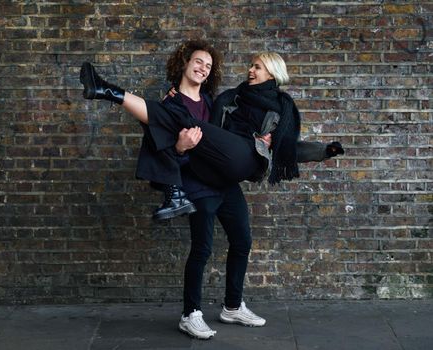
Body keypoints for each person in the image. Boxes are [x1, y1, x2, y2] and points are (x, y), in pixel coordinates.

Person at [80, 40, 344, 340]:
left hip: (227, 180)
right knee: (202, 249)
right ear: (184, 63)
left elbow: (262, 140)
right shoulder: (171, 104)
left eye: (208, 65)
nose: (203, 68)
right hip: (198, 184)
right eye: (198, 62)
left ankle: (232, 306)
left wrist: (289, 145)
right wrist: (180, 147)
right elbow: (168, 154)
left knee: (242, 241)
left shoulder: (216, 101)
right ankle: (190, 314)